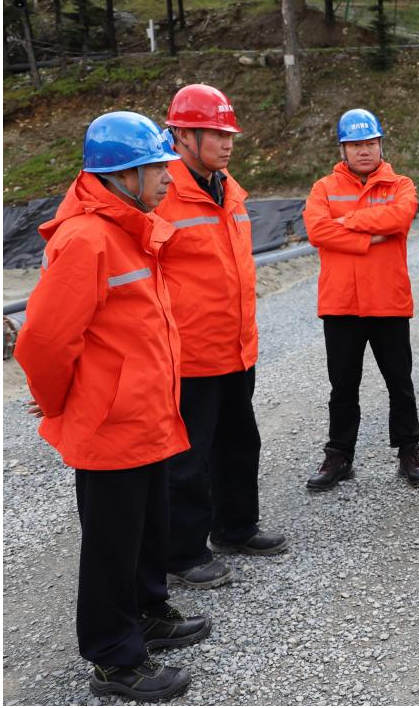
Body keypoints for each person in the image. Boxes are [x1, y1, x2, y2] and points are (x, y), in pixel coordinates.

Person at [16, 111, 209, 702]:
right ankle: (114, 659)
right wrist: (58, 404)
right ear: (122, 175)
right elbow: (43, 342)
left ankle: (147, 611)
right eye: (157, 168)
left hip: (145, 415)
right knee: (111, 543)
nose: (169, 178)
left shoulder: (129, 227)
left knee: (148, 526)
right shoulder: (86, 239)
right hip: (110, 423)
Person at [156, 83, 288, 590]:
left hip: (235, 347)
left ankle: (236, 527)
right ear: (182, 136)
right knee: (187, 459)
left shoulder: (226, 186)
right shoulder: (160, 194)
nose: (227, 143)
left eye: (229, 134)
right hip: (189, 353)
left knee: (239, 442)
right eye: (215, 134)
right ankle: (183, 553)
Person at [302, 108, 419, 491]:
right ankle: (338, 456)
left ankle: (409, 452)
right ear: (343, 149)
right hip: (341, 304)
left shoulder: (401, 185)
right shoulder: (323, 188)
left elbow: (400, 218)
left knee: (400, 384)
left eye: (370, 143)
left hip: (388, 301)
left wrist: (348, 222)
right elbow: (317, 230)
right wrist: (370, 236)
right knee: (342, 387)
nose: (364, 150)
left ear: (381, 144)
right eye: (356, 144)